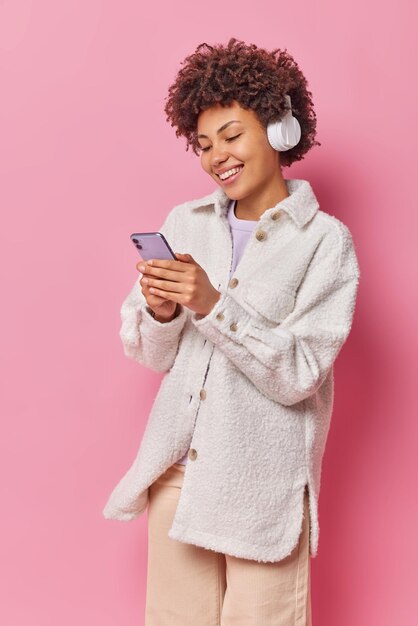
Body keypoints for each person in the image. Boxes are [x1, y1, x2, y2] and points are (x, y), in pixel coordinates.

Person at [103, 38, 360, 625]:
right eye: (203, 143)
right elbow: (148, 353)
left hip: (264, 485)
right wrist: (161, 312)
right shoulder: (184, 223)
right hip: (178, 474)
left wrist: (214, 304)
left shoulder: (325, 242)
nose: (217, 155)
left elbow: (299, 373)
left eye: (232, 134)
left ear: (278, 130)